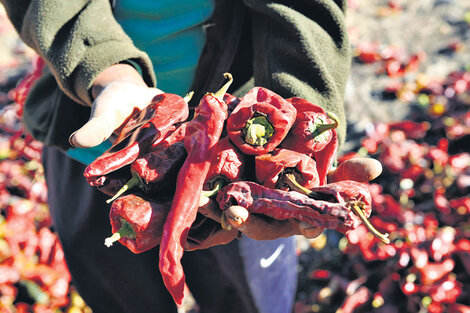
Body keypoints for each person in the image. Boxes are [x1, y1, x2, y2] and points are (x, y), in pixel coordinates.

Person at [0, 1, 365, 312]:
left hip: (249, 150)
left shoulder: (265, 150)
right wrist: (106, 72)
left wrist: (299, 119)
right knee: (120, 293)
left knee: (248, 296)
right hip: (91, 118)